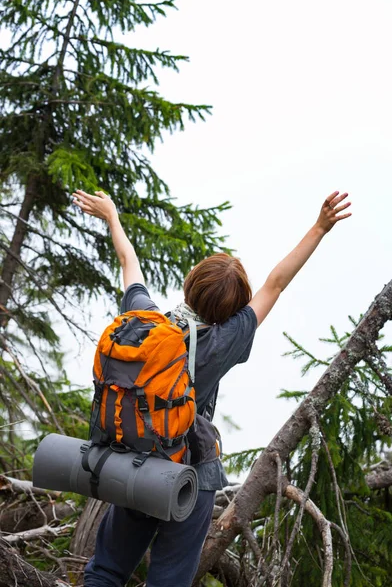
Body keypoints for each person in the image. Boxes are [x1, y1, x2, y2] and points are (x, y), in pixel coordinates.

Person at [72, 189, 351, 587]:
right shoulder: (225, 340)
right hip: (189, 475)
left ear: (189, 286)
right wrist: (320, 227)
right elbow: (275, 284)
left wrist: (113, 216)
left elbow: (127, 263)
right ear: (233, 309)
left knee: (105, 570)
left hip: (134, 462)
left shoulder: (145, 323)